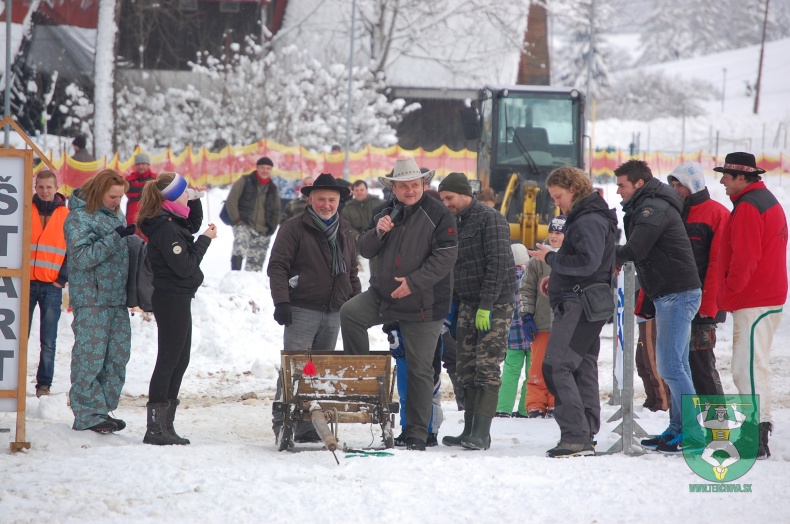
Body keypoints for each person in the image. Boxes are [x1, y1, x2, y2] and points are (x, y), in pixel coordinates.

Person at [340, 158, 457, 451]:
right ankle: (363, 383)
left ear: (423, 185)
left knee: (419, 369)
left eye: (414, 185)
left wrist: (413, 283)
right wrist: (377, 231)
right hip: (384, 296)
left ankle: (417, 431)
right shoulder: (383, 211)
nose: (409, 191)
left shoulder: (439, 214)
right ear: (393, 187)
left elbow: (444, 258)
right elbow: (365, 250)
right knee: (351, 314)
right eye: (403, 186)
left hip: (423, 302)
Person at [527, 166, 618, 458]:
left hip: (580, 304)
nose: (557, 203)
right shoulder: (586, 216)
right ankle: (585, 432)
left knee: (556, 365)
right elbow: (585, 263)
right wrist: (554, 279)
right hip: (584, 300)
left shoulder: (588, 219)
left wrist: (551, 259)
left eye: (559, 196)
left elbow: (587, 263)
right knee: (582, 366)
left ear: (574, 189)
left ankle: (576, 436)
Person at [613, 159, 702, 454]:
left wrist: (606, 255)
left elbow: (636, 249)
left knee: (670, 365)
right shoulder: (649, 204)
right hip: (671, 291)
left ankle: (693, 433)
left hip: (676, 292)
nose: (617, 191)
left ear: (639, 183)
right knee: (677, 365)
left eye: (621, 185)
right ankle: (678, 428)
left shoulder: (653, 208)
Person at [268, 173, 361, 443]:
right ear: (310, 199)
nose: (327, 204)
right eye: (321, 199)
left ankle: (307, 427)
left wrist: (356, 303)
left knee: (317, 371)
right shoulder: (294, 227)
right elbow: (277, 267)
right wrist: (282, 301)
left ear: (339, 201)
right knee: (294, 369)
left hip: (334, 311)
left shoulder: (343, 230)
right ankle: (282, 424)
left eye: (332, 200)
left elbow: (352, 272)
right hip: (301, 309)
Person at [716, 152, 787, 459]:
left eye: (727, 176)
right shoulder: (762, 201)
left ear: (742, 178)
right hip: (763, 295)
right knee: (752, 366)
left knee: (746, 369)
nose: (722, 181)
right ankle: (758, 430)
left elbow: (745, 259)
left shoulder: (747, 207)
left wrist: (728, 295)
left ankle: (754, 436)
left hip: (754, 298)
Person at [438, 171, 516, 451]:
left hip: (495, 303)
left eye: (449, 197)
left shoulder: (491, 218)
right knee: (465, 368)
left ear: (463, 194)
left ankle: (482, 433)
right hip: (468, 303)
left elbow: (497, 264)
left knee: (486, 366)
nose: (446, 203)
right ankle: (470, 429)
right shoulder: (455, 222)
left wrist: (486, 306)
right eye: (442, 198)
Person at [137, 173, 216, 445]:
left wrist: (194, 200)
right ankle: (156, 428)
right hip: (171, 297)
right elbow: (184, 267)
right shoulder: (166, 228)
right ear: (170, 198)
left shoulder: (171, 220)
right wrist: (206, 240)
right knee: (169, 361)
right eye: (184, 194)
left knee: (179, 360)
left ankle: (166, 425)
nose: (187, 196)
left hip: (179, 297)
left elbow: (191, 224)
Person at [64, 169, 134, 434]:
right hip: (92, 299)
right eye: (113, 196)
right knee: (89, 357)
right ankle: (87, 413)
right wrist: (116, 237)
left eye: (120, 197)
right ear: (98, 192)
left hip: (116, 298)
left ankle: (101, 409)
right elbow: (82, 258)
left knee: (116, 357)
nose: (118, 201)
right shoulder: (78, 218)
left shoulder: (115, 214)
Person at [667, 161, 728, 396]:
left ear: (691, 185)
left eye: (678, 185)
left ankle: (717, 425)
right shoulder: (675, 212)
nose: (674, 190)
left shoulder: (717, 214)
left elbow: (718, 265)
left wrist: (709, 305)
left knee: (701, 365)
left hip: (702, 307)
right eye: (671, 185)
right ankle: (688, 426)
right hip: (677, 302)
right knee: (678, 368)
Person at [519, 216, 566, 419]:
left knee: (559, 365)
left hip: (564, 324)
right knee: (537, 366)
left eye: (559, 233)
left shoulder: (570, 258)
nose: (554, 237)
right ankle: (536, 404)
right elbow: (527, 288)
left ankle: (557, 401)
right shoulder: (538, 260)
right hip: (542, 322)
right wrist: (527, 314)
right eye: (552, 233)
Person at [28, 170, 69, 398]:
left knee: (48, 340)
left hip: (51, 285)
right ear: (36, 187)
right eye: (41, 187)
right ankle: (11, 380)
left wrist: (62, 278)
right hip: (25, 283)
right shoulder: (25, 210)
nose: (45, 191)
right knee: (17, 337)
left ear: (56, 188)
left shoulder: (66, 214)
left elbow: (73, 249)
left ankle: (44, 385)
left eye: (49, 187)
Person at [225, 157, 280, 271]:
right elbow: (231, 200)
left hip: (263, 229)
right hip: (243, 223)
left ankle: (249, 286)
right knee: (240, 246)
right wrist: (237, 220)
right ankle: (234, 274)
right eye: (262, 167)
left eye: (268, 168)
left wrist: (271, 228)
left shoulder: (273, 188)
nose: (265, 170)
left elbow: (276, 210)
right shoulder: (245, 181)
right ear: (257, 168)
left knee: (255, 265)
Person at [495, 243, 531, 419]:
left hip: (513, 335)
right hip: (533, 333)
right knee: (531, 374)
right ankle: (525, 409)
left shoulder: (504, 279)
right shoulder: (531, 277)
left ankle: (503, 408)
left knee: (510, 372)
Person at [125, 152, 157, 226]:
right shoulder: (130, 179)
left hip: (150, 213)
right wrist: (146, 189)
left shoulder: (155, 178)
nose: (140, 166)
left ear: (148, 164)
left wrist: (137, 187)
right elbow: (129, 193)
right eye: (138, 164)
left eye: (143, 164)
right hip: (132, 215)